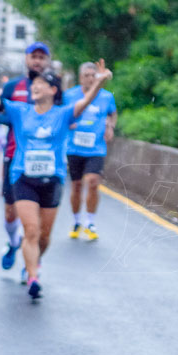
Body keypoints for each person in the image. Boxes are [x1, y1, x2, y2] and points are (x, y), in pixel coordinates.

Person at [0, 61, 113, 299]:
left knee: (44, 238)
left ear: (53, 90)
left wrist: (101, 79)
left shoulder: (63, 113)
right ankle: (33, 277)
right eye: (33, 85)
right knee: (32, 230)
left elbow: (86, 101)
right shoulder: (20, 110)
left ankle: (33, 264)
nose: (34, 88)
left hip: (52, 180)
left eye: (40, 84)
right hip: (23, 178)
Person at [0, 42, 49, 271]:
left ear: (47, 62)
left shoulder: (53, 88)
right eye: (34, 56)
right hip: (15, 156)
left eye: (42, 57)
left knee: (37, 218)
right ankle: (14, 243)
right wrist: (17, 120)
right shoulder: (14, 86)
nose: (37, 61)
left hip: (45, 161)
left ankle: (31, 262)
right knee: (11, 211)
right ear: (26, 59)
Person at [65, 60, 118, 240]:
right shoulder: (69, 95)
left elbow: (113, 113)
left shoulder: (106, 97)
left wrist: (110, 125)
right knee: (77, 186)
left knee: (93, 182)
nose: (89, 79)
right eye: (86, 76)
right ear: (80, 78)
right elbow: (60, 115)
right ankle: (76, 220)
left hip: (96, 148)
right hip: (74, 148)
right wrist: (66, 124)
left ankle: (90, 221)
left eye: (92, 75)